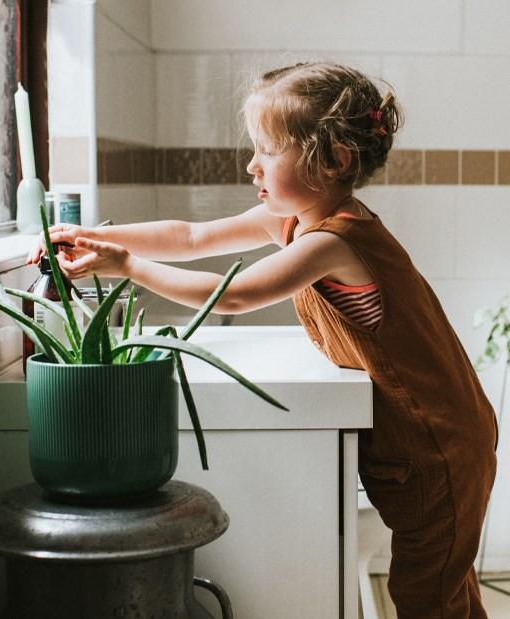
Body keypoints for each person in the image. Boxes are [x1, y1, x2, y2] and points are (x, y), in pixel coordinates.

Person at [28, 62, 498, 618]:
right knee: (448, 589)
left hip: (436, 449)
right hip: (431, 443)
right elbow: (190, 236)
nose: (251, 164)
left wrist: (128, 265)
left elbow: (233, 295)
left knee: (428, 599)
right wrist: (92, 237)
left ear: (334, 161)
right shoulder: (294, 217)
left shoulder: (336, 240)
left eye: (268, 151)